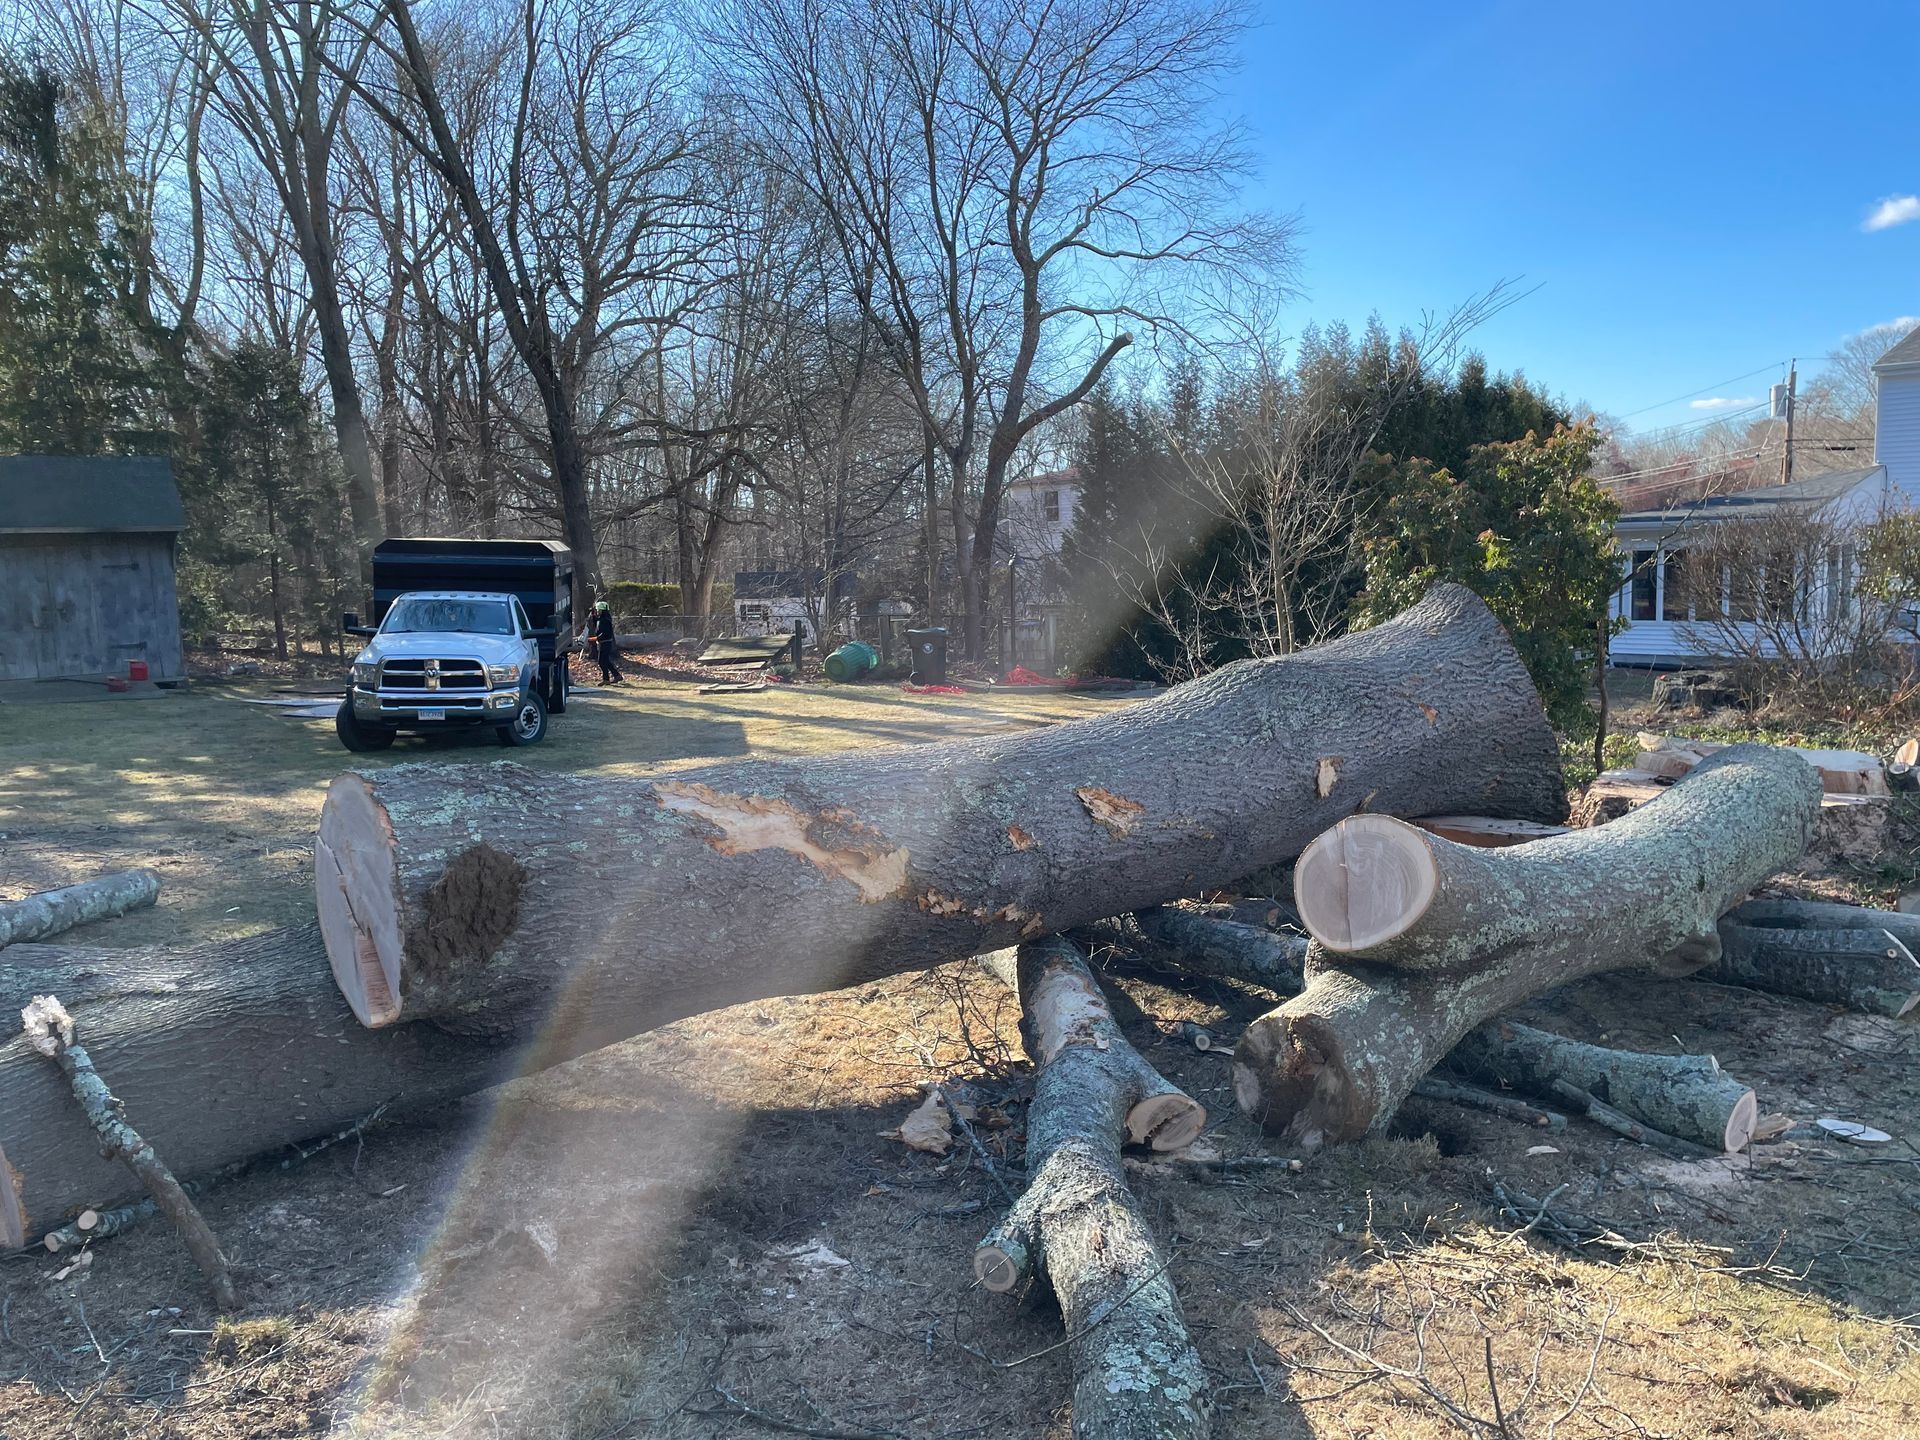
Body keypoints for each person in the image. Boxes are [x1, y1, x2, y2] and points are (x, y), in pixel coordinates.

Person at [592, 600, 624, 685]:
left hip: (605, 643)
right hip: (603, 643)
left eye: (598, 610)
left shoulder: (605, 620)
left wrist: (596, 638)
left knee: (601, 661)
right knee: (605, 661)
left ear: (602, 610)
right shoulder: (601, 619)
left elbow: (605, 633)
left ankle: (606, 679)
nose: (597, 611)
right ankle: (617, 676)